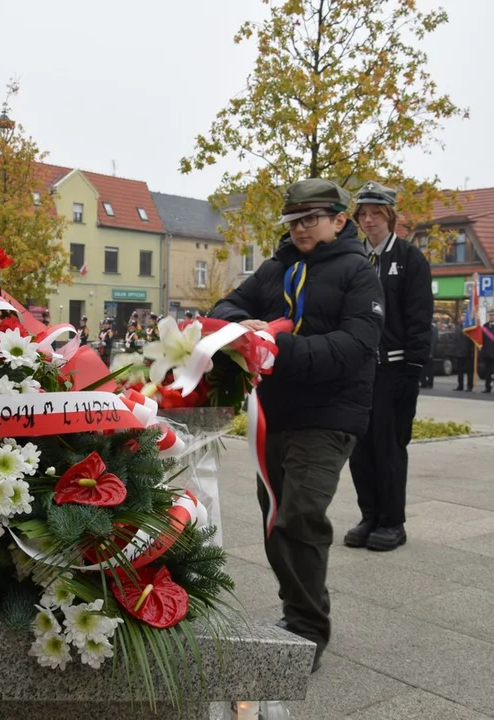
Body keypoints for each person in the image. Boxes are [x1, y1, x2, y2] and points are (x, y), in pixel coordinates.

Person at [210, 178, 383, 671]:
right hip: (275, 413)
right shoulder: (276, 266)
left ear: (338, 220)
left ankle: (308, 628)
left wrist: (278, 349)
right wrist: (240, 327)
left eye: (311, 219)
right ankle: (298, 612)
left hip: (330, 415)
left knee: (301, 514)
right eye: (293, 220)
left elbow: (355, 345)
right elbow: (225, 305)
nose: (301, 228)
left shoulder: (358, 273)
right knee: (276, 516)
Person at [344, 180, 432, 552]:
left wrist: (413, 371)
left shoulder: (409, 259)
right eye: (362, 214)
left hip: (394, 369)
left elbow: (418, 318)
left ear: (390, 216)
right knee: (360, 448)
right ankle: (369, 514)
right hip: (357, 370)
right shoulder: (352, 258)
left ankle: (392, 521)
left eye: (375, 213)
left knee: (390, 446)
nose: (368, 220)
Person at [453, 318, 475, 391]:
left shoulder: (470, 328)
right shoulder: (458, 328)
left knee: (469, 371)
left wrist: (472, 352)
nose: (463, 318)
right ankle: (460, 385)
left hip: (468, 353)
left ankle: (469, 386)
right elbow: (455, 340)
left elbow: (473, 341)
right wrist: (455, 350)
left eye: (465, 316)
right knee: (460, 371)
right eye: (462, 316)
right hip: (459, 353)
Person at [422, 322, 439, 389]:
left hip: (429, 351)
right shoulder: (423, 327)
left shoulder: (434, 328)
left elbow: (434, 341)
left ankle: (430, 383)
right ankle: (423, 383)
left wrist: (431, 352)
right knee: (423, 368)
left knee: (430, 369)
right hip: (423, 351)